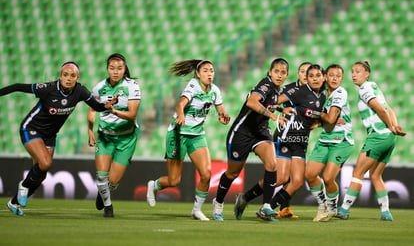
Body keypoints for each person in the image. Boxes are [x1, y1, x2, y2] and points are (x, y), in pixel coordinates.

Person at [1, 61, 118, 216]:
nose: (68, 78)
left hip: (50, 135)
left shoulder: (80, 91)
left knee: (41, 174)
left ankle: (14, 203)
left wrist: (107, 105)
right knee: (46, 163)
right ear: (60, 76)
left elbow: (96, 106)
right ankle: (23, 186)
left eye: (72, 75)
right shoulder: (48, 89)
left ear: (78, 77)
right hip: (31, 129)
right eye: (65, 75)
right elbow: (17, 86)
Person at [233, 64, 326, 220]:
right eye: (305, 73)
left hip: (301, 141)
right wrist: (280, 111)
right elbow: (273, 102)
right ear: (300, 74)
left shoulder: (322, 96)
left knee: (296, 182)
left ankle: (264, 206)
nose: (308, 76)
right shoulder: (295, 90)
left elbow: (314, 117)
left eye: (313, 74)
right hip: (285, 138)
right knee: (281, 178)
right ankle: (250, 200)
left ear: (322, 77)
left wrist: (318, 123)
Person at [146, 59, 230, 221]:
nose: (209, 73)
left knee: (206, 174)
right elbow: (180, 104)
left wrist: (223, 115)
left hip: (197, 135)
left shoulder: (214, 90)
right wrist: (182, 115)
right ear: (198, 74)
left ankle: (196, 210)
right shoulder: (193, 85)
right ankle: (154, 185)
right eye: (205, 71)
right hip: (179, 133)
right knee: (174, 180)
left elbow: (220, 109)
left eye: (211, 70)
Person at [212, 58, 293, 222]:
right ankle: (218, 202)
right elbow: (251, 102)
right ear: (270, 72)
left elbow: (271, 102)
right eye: (276, 71)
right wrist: (273, 115)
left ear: (286, 75)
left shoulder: (278, 90)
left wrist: (282, 108)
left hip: (261, 132)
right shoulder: (265, 84)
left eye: (282, 72)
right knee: (233, 173)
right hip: (242, 132)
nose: (279, 75)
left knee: (272, 165)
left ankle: (266, 207)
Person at [336, 61, 406, 221]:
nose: (354, 74)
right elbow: (389, 108)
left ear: (367, 74)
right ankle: (386, 212)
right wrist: (394, 127)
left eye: (358, 71)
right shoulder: (374, 86)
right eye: (352, 71)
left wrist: (390, 125)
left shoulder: (365, 88)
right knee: (375, 175)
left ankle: (344, 209)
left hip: (378, 136)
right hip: (389, 137)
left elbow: (381, 109)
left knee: (358, 173)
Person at [87, 53, 141, 218]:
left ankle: (102, 193)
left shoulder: (132, 86)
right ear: (107, 69)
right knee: (101, 176)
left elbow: (132, 114)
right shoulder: (99, 88)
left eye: (119, 68)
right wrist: (90, 131)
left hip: (126, 138)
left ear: (125, 69)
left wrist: (113, 110)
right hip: (105, 137)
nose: (115, 72)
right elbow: (92, 110)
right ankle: (108, 207)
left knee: (114, 182)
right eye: (112, 68)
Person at [305, 64, 354, 222]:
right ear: (325, 77)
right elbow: (328, 119)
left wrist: (317, 114)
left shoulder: (340, 93)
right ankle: (322, 206)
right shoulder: (323, 94)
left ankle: (332, 208)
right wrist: (321, 121)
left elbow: (331, 119)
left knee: (327, 178)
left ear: (342, 78)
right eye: (331, 75)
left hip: (341, 141)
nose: (335, 78)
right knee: (310, 175)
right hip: (325, 139)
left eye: (338, 76)